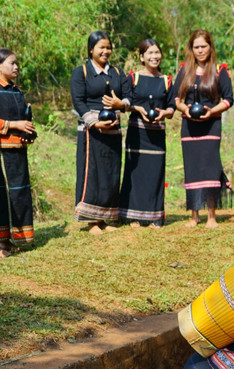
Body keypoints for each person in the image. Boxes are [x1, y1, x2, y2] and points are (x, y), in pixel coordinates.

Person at [70, 31, 132, 235]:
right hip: (92, 131)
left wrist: (120, 104)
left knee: (111, 173)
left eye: (108, 48)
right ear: (91, 50)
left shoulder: (118, 73)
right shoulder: (81, 72)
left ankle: (105, 217)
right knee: (92, 173)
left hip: (113, 130)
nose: (106, 51)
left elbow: (129, 97)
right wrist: (95, 122)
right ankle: (92, 221)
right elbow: (78, 101)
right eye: (101, 47)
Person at [170, 30, 233, 228]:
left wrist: (212, 111)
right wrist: (185, 110)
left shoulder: (220, 71)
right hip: (189, 127)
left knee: (210, 168)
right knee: (193, 168)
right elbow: (176, 98)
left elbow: (228, 99)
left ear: (210, 47)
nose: (200, 50)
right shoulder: (184, 71)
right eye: (196, 47)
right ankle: (194, 215)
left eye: (203, 46)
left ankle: (212, 216)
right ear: (191, 49)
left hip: (211, 126)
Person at [0, 49, 37, 257]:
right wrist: (15, 124)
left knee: (19, 194)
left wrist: (28, 133)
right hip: (0, 152)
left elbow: (24, 120)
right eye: (11, 63)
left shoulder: (15, 91)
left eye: (16, 63)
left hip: (18, 151)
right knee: (1, 196)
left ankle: (8, 239)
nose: (16, 67)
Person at [119, 39, 174, 228]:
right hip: (137, 133)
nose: (154, 56)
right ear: (142, 57)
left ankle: (154, 216)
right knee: (135, 173)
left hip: (157, 134)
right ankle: (132, 216)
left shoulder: (167, 80)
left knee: (155, 174)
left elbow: (172, 107)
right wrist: (138, 109)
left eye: (157, 52)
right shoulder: (133, 78)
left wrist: (165, 113)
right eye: (150, 53)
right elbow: (125, 103)